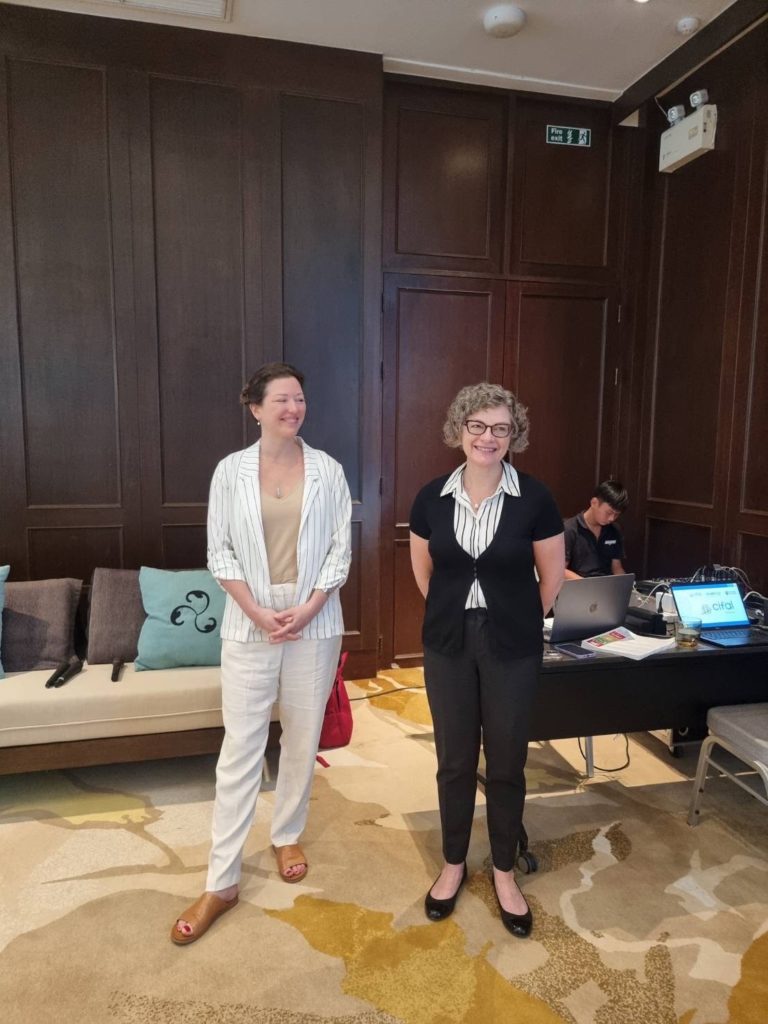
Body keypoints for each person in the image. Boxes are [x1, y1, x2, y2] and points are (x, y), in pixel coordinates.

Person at [170, 362, 352, 945]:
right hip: (248, 622)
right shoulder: (230, 471)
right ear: (255, 408)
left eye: (299, 398)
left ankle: (286, 833)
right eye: (281, 400)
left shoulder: (328, 470)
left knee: (301, 736)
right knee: (241, 748)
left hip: (314, 622)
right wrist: (255, 610)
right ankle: (221, 880)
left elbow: (340, 551)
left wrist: (310, 607)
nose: (293, 408)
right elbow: (219, 551)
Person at [409, 383, 564, 939]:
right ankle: (453, 863)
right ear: (460, 430)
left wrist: (515, 618)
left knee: (506, 760)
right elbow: (424, 573)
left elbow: (551, 578)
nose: (488, 437)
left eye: (500, 428)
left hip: (511, 646)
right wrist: (456, 613)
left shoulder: (535, 498)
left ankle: (502, 870)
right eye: (477, 426)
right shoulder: (431, 497)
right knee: (453, 759)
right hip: (448, 642)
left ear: (513, 435)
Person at [563, 480, 628, 579]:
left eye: (616, 515)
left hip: (606, 585)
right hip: (577, 584)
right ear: (594, 503)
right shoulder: (570, 529)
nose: (611, 518)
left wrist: (624, 583)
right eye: (609, 513)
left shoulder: (614, 530)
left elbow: (616, 568)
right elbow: (561, 570)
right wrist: (587, 584)